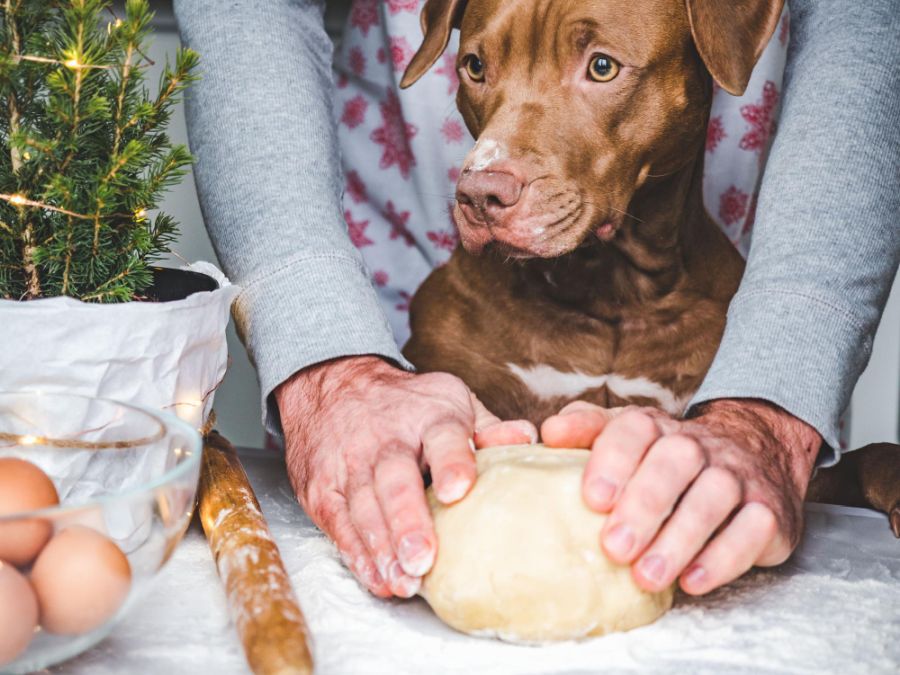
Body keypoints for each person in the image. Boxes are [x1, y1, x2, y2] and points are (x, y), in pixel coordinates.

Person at [173, 0, 900, 600]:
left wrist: (803, 429)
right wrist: (327, 368)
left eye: (601, 67)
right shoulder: (453, 323)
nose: (489, 165)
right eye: (479, 68)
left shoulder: (734, 325)